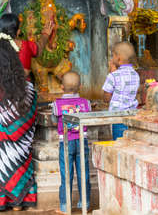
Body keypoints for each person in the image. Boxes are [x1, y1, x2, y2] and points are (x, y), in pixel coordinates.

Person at [0, 13, 52, 211]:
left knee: (2, 152)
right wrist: (47, 33)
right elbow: (38, 48)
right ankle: (18, 203)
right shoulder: (24, 46)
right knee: (20, 151)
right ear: (18, 30)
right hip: (22, 111)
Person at [52, 71, 91, 214]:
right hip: (82, 141)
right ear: (80, 86)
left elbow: (54, 120)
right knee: (84, 173)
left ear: (62, 87)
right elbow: (88, 119)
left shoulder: (57, 104)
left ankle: (64, 206)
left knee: (66, 174)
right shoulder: (86, 103)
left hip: (66, 143)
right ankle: (85, 203)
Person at [102, 41, 140, 140]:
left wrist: (111, 72)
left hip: (117, 117)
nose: (111, 58)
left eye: (113, 55)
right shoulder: (136, 75)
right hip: (132, 116)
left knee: (119, 143)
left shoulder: (113, 76)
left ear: (118, 58)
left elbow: (106, 98)